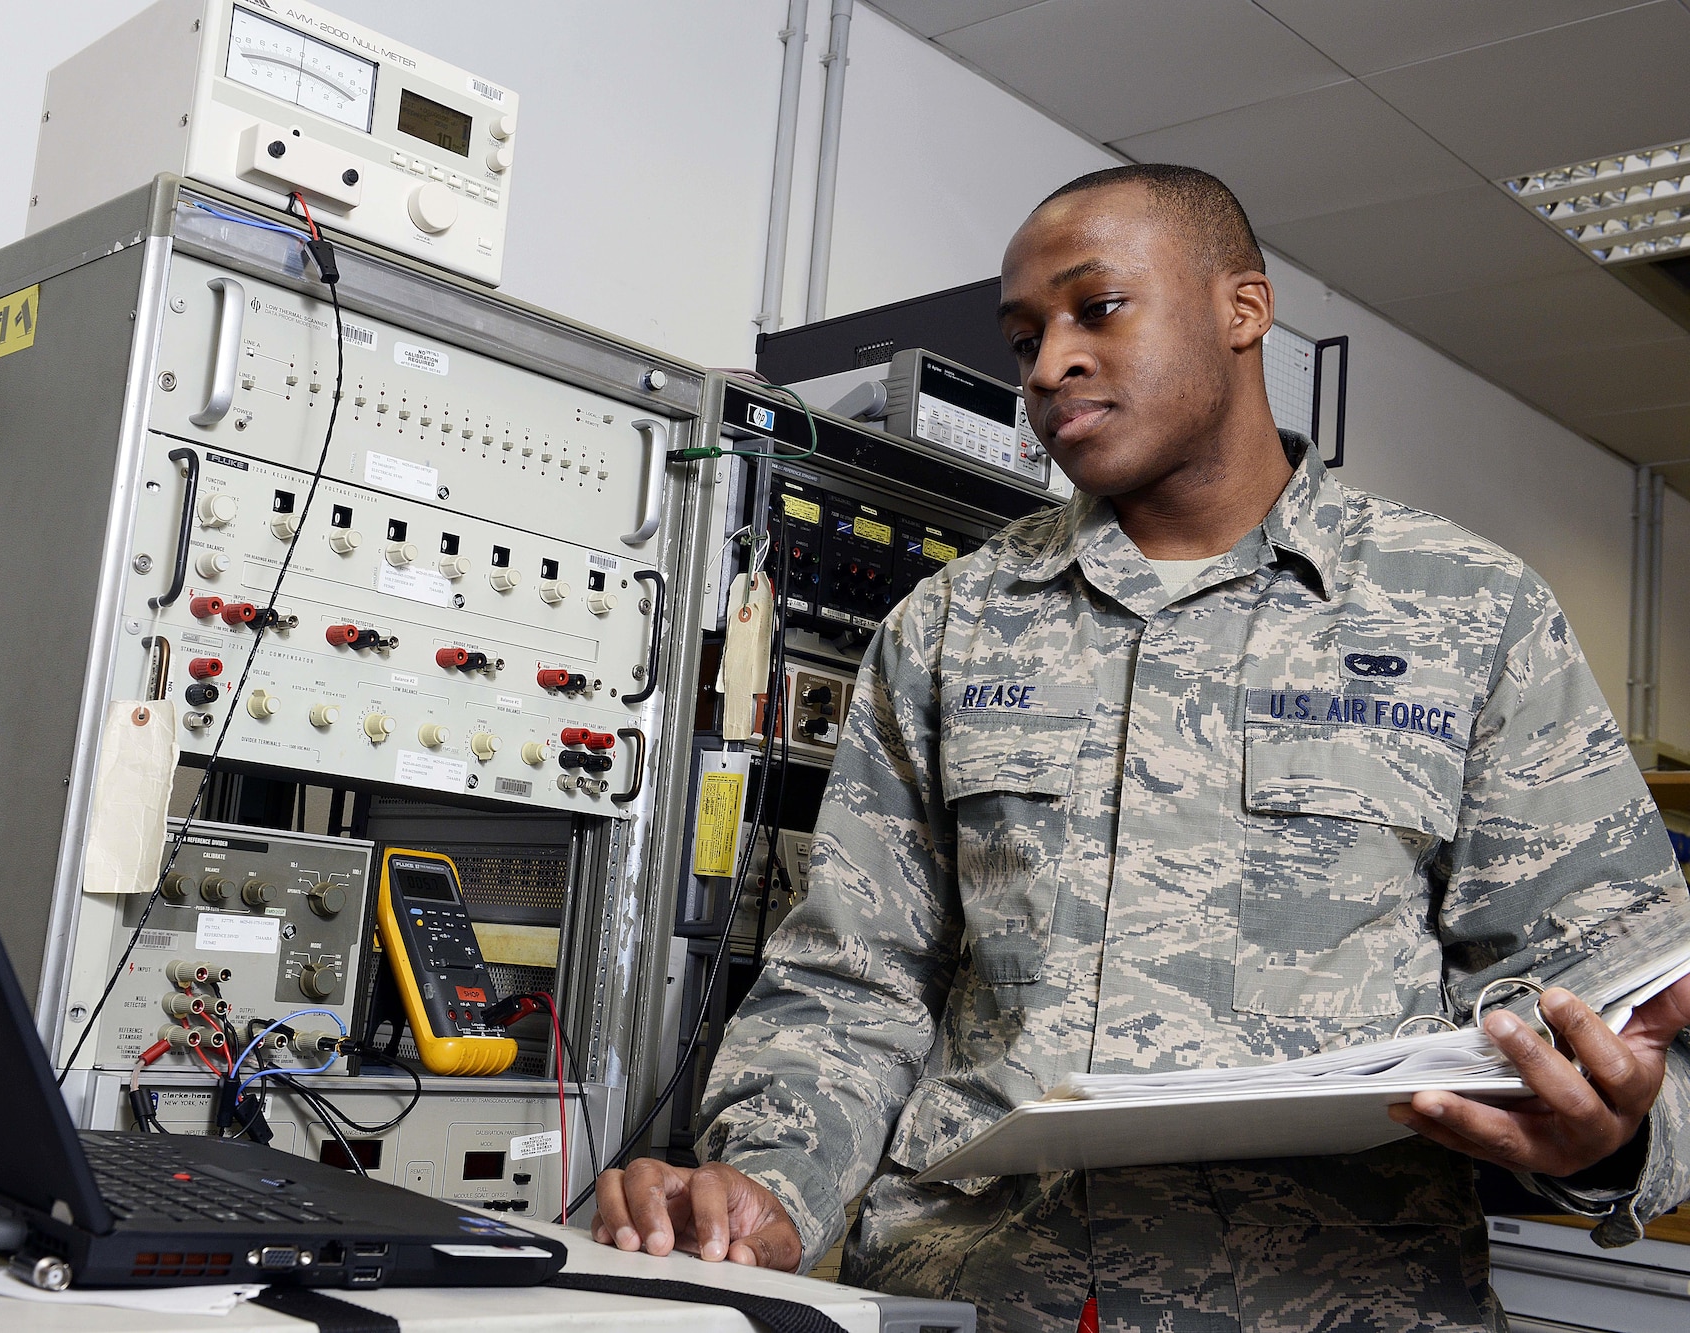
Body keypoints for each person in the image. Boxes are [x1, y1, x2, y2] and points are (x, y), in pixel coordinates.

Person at [589, 164, 1690, 1331]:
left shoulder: (1468, 612)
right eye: (1022, 339)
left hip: (1337, 1303)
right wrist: (768, 1185)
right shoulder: (953, 622)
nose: (1048, 363)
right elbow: (856, 980)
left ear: (1241, 310)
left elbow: (1595, 993)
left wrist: (1605, 1133)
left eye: (1094, 308)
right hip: (973, 1295)